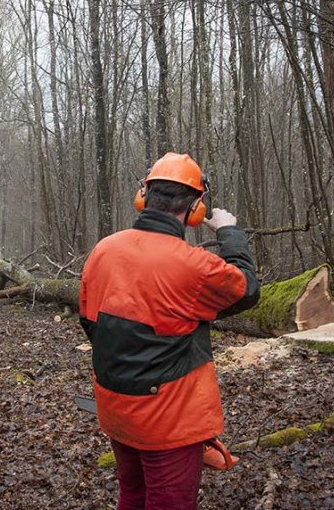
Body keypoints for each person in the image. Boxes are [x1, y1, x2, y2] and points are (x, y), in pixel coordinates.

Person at [78, 152, 261, 510]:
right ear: (195, 210)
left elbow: (90, 323)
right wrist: (229, 233)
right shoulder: (195, 266)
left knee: (132, 495)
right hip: (170, 421)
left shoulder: (104, 250)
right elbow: (247, 290)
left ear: (144, 198)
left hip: (116, 407)